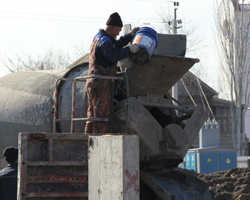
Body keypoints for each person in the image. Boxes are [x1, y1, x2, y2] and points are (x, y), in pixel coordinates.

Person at [85, 12, 140, 134]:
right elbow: (113, 55)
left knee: (92, 115)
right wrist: (129, 50)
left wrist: (130, 36)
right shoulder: (105, 41)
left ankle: (87, 140)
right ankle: (100, 141)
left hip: (93, 81)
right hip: (101, 84)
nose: (118, 34)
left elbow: (116, 44)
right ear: (114, 27)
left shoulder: (99, 38)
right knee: (102, 115)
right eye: (118, 31)